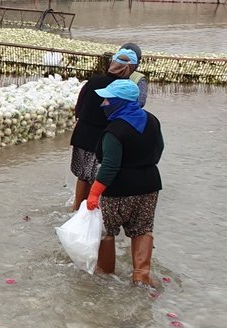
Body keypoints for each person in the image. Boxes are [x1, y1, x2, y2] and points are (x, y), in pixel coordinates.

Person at [85, 80, 164, 287]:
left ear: (119, 102)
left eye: (108, 99)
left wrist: (93, 194)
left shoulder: (115, 131)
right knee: (143, 229)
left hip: (118, 189)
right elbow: (159, 150)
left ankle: (105, 274)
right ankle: (141, 275)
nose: (103, 103)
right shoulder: (152, 120)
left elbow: (110, 166)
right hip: (149, 185)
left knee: (107, 231)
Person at [68, 52, 116, 211]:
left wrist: (80, 121)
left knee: (83, 175)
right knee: (96, 177)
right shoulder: (121, 87)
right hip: (100, 138)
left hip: (82, 134)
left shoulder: (94, 81)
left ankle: (76, 209)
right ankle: (88, 211)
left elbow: (79, 105)